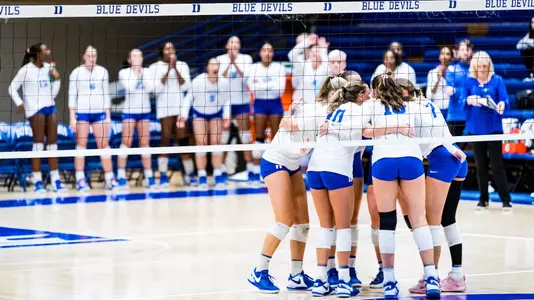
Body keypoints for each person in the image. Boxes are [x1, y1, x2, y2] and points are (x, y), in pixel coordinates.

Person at [364, 73, 440, 298]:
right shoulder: (414, 105)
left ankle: (389, 282)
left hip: (383, 161)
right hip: (411, 159)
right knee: (419, 219)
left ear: (376, 90)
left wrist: (389, 128)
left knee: (387, 220)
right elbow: (430, 129)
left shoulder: (371, 105)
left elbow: (365, 132)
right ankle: (431, 277)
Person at [392, 78, 467, 294]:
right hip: (455, 156)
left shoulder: (407, 108)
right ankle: (456, 275)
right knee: (448, 220)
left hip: (443, 159)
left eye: (397, 93)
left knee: (431, 222)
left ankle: (429, 277)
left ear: (404, 92)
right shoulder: (428, 103)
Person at [246, 97, 324, 294]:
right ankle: (259, 271)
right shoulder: (315, 110)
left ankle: (296, 276)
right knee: (284, 221)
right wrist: (291, 115)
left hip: (292, 165)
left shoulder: (333, 115)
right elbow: (284, 122)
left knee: (303, 223)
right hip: (274, 162)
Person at [307, 76, 367, 298]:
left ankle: (320, 280)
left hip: (314, 170)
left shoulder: (332, 110)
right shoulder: (357, 110)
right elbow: (368, 132)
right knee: (343, 227)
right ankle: (343, 280)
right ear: (359, 95)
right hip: (337, 169)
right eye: (365, 93)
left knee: (326, 227)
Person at [9, 42, 65, 192]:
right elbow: (12, 88)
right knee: (39, 143)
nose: (48, 51)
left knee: (53, 144)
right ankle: (38, 180)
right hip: (35, 109)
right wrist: (20, 103)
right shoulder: (26, 70)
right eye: (45, 49)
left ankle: (55, 180)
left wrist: (57, 79)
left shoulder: (49, 68)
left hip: (49, 106)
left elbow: (52, 89)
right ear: (38, 54)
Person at [463, 51, 512, 211]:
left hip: (493, 128)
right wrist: (470, 100)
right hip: (476, 130)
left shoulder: (497, 80)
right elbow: (463, 101)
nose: (483, 69)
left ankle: (506, 201)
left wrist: (502, 105)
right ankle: (483, 200)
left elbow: (504, 99)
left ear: (489, 66)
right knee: (481, 165)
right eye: (479, 66)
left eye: (485, 66)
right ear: (474, 67)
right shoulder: (469, 82)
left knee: (497, 165)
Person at [68, 46, 118, 191]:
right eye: (89, 56)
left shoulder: (103, 71)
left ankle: (110, 178)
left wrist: (108, 116)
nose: (92, 58)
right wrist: (72, 118)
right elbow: (72, 97)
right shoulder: (76, 73)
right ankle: (80, 179)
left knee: (104, 145)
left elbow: (106, 94)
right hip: (82, 113)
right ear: (83, 56)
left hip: (99, 113)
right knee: (81, 146)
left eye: (94, 56)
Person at [149, 42, 195, 187]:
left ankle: (190, 174)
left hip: (180, 109)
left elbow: (186, 86)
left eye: (173, 49)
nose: (171, 51)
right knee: (165, 141)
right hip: (164, 110)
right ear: (162, 52)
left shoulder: (182, 65)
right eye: (167, 49)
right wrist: (168, 69)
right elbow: (155, 90)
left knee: (183, 141)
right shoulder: (154, 68)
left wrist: (174, 68)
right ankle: (162, 174)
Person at [184, 58, 230, 188]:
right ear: (207, 67)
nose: (215, 66)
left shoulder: (224, 82)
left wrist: (226, 116)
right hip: (199, 113)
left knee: (216, 143)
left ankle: (217, 173)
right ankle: (202, 175)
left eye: (217, 64)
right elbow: (188, 98)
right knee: (201, 144)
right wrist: (183, 115)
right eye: (212, 64)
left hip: (216, 113)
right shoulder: (198, 81)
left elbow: (227, 100)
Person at [217, 36, 255, 182]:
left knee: (245, 137)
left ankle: (251, 170)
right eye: (232, 42)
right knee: (223, 139)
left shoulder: (246, 59)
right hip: (225, 102)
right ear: (227, 45)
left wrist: (235, 63)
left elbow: (246, 79)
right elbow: (220, 78)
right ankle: (219, 171)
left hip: (242, 102)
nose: (234, 45)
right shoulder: (220, 59)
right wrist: (229, 63)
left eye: (237, 42)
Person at [246, 43, 286, 179]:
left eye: (270, 50)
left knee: (276, 137)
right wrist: (271, 85)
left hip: (275, 103)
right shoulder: (254, 68)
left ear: (273, 53)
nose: (267, 53)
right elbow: (252, 88)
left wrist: (261, 85)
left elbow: (280, 89)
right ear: (260, 52)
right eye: (264, 50)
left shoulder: (279, 67)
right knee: (258, 137)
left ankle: (275, 166)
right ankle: (257, 168)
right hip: (259, 103)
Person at [117, 49, 155, 189]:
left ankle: (149, 176)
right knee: (125, 143)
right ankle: (121, 176)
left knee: (145, 143)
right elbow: (131, 87)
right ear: (129, 60)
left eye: (139, 56)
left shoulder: (148, 72)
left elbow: (151, 88)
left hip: (144, 111)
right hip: (129, 112)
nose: (137, 58)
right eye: (133, 56)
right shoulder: (124, 73)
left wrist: (142, 73)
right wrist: (137, 73)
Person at [445, 39, 473, 142]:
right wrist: (468, 95)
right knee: (452, 151)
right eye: (462, 49)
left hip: (471, 116)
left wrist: (456, 91)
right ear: (457, 52)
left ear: (472, 52)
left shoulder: (475, 69)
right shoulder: (452, 69)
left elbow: (454, 91)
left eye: (467, 49)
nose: (465, 52)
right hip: (455, 116)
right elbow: (449, 91)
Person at [290, 38, 329, 103]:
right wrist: (307, 42)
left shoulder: (325, 68)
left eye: (317, 51)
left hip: (319, 104)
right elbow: (291, 55)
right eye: (312, 51)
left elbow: (326, 63)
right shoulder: (303, 66)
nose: (314, 53)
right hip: (302, 103)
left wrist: (323, 49)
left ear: (321, 54)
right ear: (309, 54)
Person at [427, 46, 453, 119]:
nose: (444, 56)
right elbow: (429, 96)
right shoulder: (432, 72)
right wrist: (437, 81)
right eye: (442, 54)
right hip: (437, 109)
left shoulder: (455, 72)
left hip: (451, 110)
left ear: (451, 57)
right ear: (439, 56)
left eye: (447, 54)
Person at [516, 17, 534, 81]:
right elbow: (518, 46)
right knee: (526, 51)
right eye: (532, 22)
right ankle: (531, 75)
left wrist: (526, 42)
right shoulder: (529, 34)